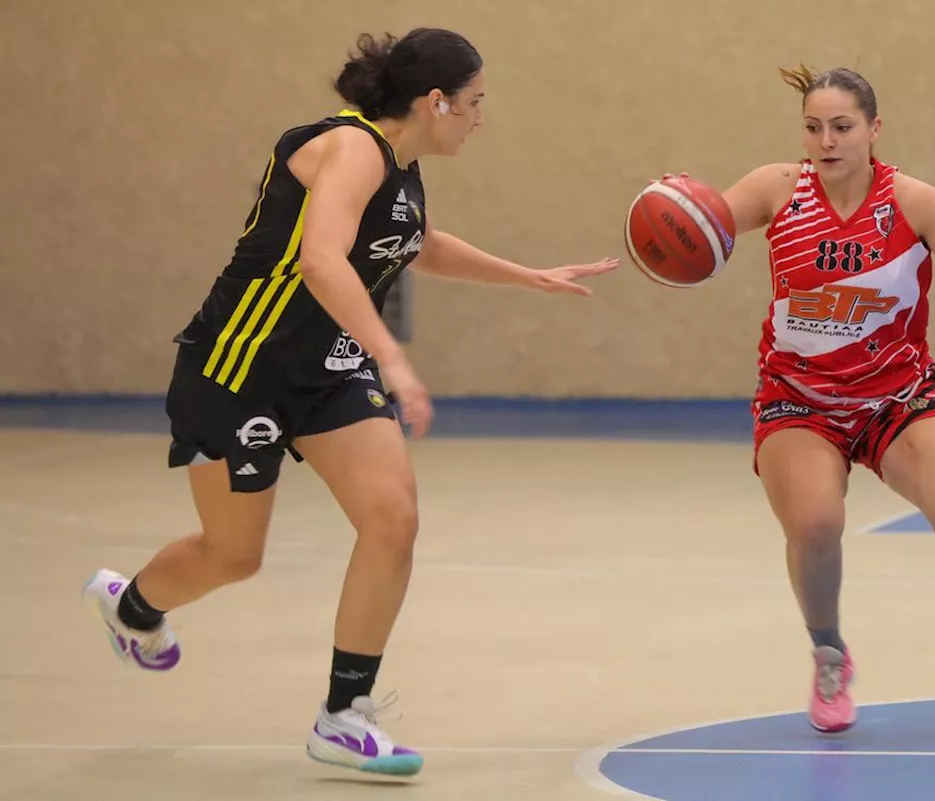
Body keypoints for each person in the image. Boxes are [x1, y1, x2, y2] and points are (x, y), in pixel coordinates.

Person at [80, 27, 617, 776]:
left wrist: (529, 275)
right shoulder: (352, 147)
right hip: (240, 370)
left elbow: (418, 244)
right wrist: (393, 356)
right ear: (435, 102)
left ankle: (344, 714)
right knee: (233, 555)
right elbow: (321, 258)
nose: (480, 118)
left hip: (328, 373)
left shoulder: (402, 167)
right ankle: (133, 606)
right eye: (475, 103)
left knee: (392, 517)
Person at [707, 64, 935, 738]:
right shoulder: (777, 189)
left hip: (897, 397)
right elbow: (702, 227)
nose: (826, 141)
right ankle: (830, 653)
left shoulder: (916, 203)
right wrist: (675, 225)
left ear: (873, 129)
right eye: (813, 128)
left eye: (841, 126)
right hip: (797, 399)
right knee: (814, 525)